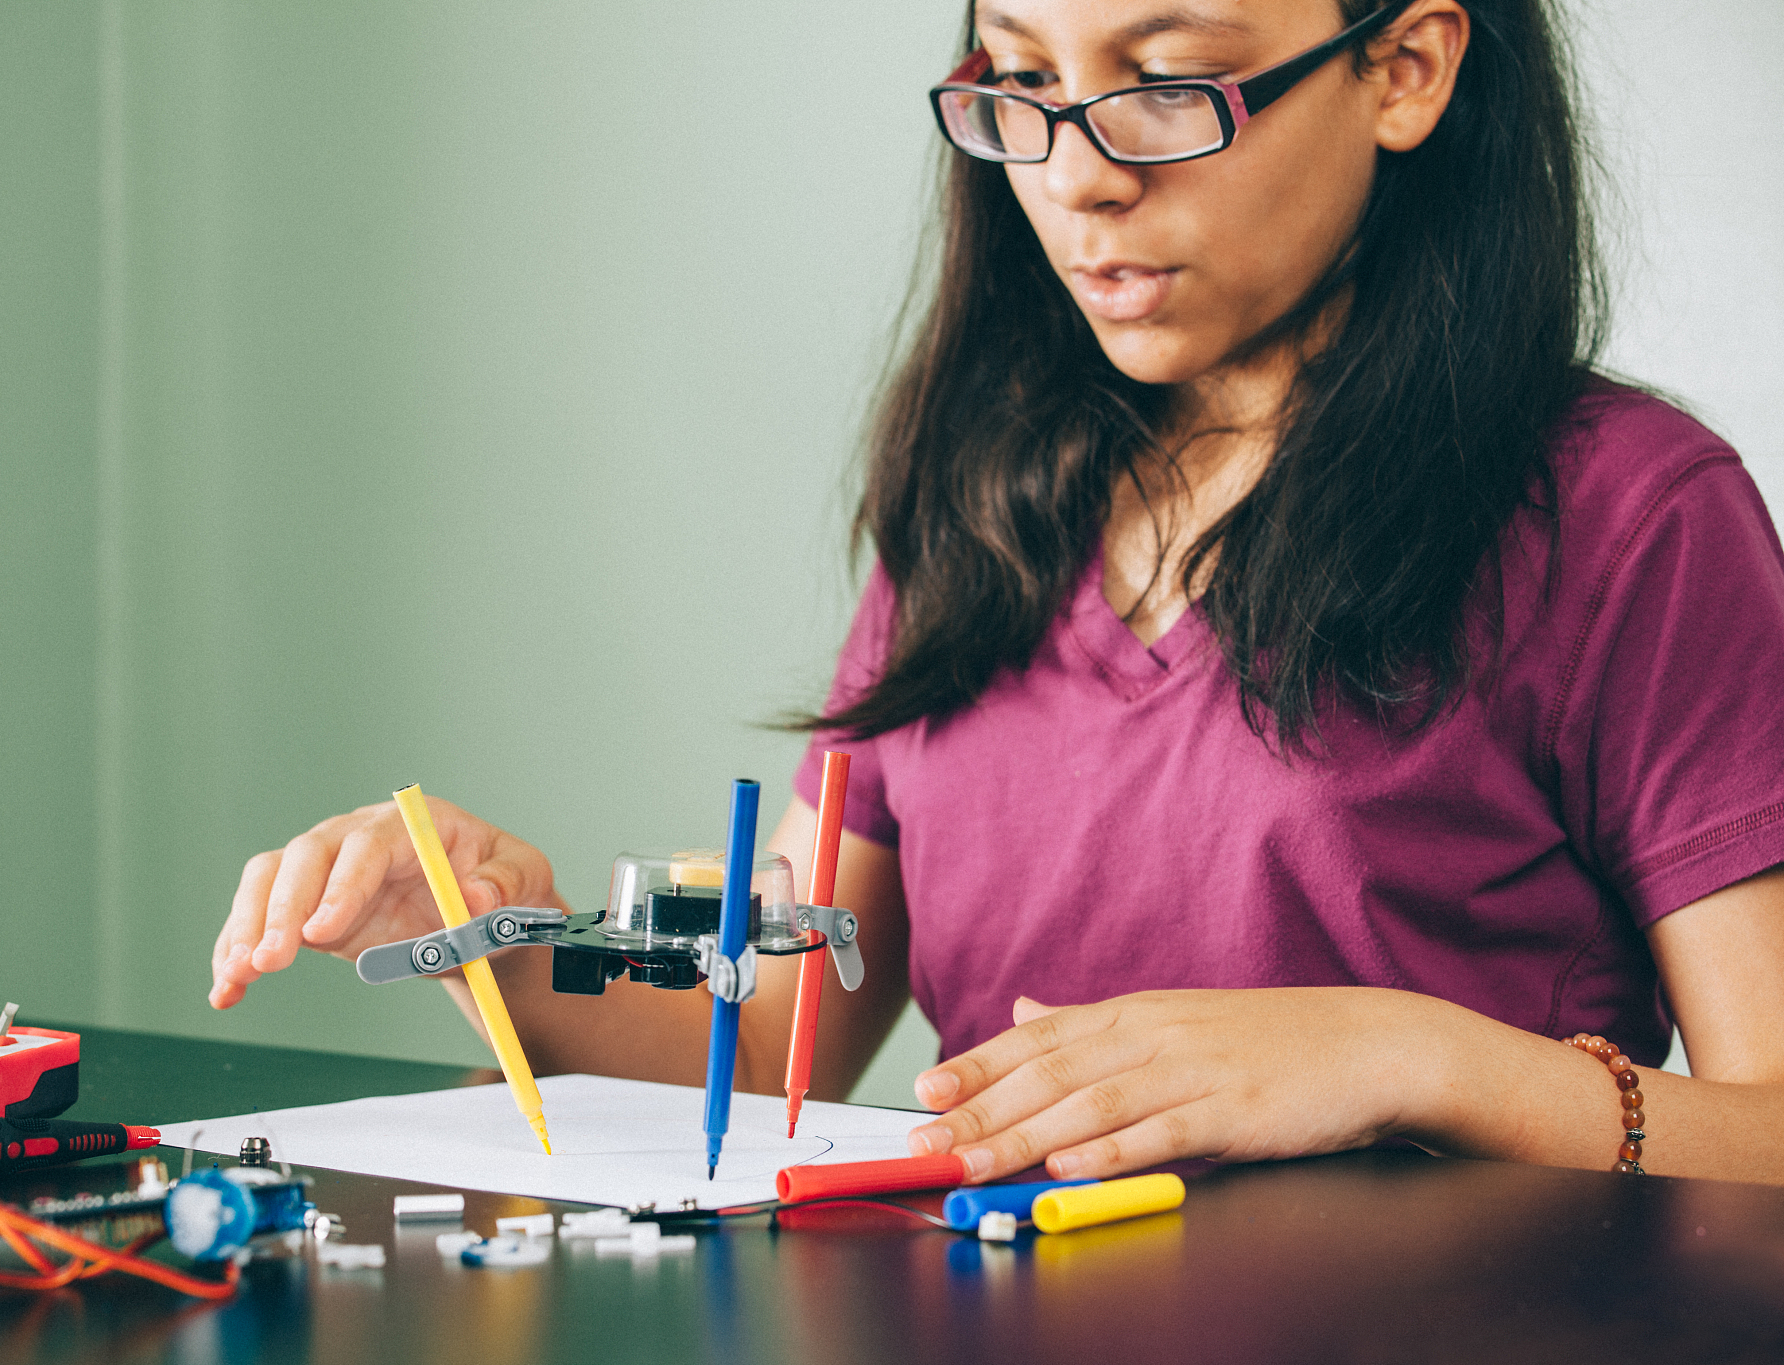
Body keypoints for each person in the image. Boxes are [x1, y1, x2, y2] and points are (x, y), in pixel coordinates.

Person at [209, 0, 1784, 1185]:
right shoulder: (985, 494)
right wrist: (489, 934)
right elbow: (773, 1053)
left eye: (1166, 88)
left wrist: (1400, 1053)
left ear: (1406, 68)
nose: (1079, 178)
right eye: (1023, 86)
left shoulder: (1634, 516)